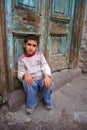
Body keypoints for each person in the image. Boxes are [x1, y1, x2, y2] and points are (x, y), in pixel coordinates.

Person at [17, 34, 55, 114]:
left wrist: (47, 76)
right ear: (24, 45)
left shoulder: (40, 55)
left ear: (37, 47)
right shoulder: (21, 59)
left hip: (41, 79)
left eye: (34, 46)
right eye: (29, 44)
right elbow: (20, 72)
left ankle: (46, 99)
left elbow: (45, 66)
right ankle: (32, 103)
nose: (31, 48)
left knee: (50, 84)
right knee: (27, 82)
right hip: (32, 81)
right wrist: (24, 75)